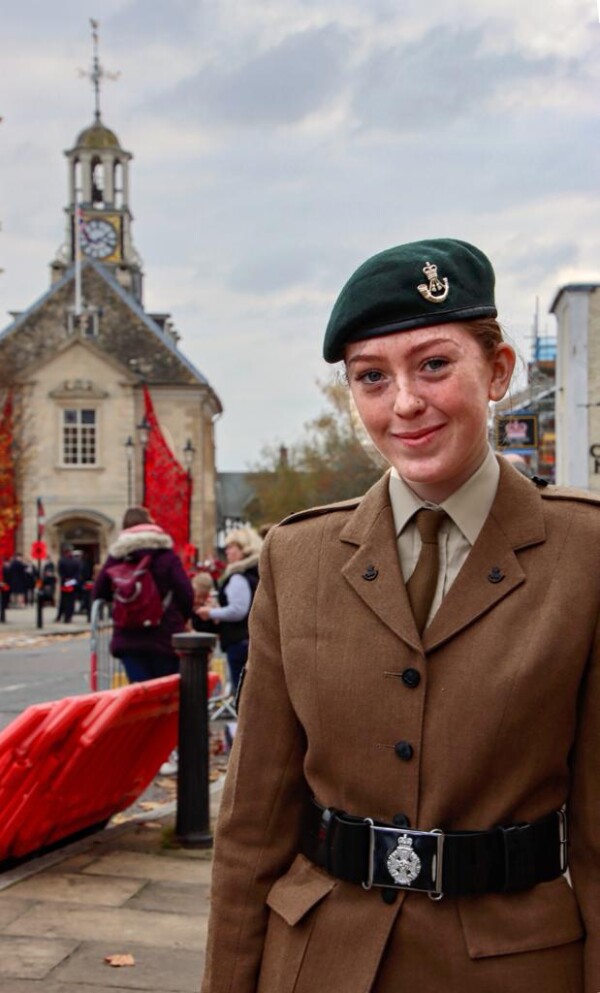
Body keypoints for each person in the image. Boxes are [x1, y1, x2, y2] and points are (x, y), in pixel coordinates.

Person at [201, 239, 599, 993]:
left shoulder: (585, 554)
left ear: (500, 372)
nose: (405, 402)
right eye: (372, 377)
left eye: (435, 364)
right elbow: (252, 827)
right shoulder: (299, 556)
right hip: (319, 962)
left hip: (515, 966)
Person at [92, 506, 193, 683]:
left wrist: (121, 606)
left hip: (129, 637)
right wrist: (179, 618)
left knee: (141, 693)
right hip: (165, 636)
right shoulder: (165, 555)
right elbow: (185, 592)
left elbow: (99, 592)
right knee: (166, 694)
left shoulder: (117, 556)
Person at [196, 527, 262, 693]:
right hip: (248, 639)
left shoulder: (238, 577)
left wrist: (210, 612)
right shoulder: (254, 574)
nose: (227, 551)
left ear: (243, 550)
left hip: (238, 639)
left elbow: (238, 610)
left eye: (231, 547)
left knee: (241, 690)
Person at [55, 545, 81, 622]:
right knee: (70, 601)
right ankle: (68, 617)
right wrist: (72, 579)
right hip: (72, 582)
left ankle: (62, 616)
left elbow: (60, 572)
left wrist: (66, 579)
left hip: (65, 582)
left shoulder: (62, 560)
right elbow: (78, 573)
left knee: (64, 600)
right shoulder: (76, 561)